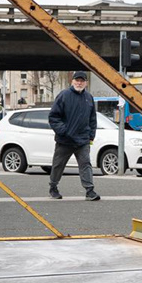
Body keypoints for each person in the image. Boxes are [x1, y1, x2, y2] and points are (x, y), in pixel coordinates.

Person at [47, 71, 100, 201]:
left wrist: (91, 135)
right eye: (77, 80)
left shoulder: (89, 97)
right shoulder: (64, 95)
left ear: (86, 83)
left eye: (82, 80)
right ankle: (53, 187)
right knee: (58, 165)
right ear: (72, 81)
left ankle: (90, 191)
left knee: (86, 165)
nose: (79, 83)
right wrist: (64, 131)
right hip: (65, 140)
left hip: (83, 141)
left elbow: (92, 118)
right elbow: (53, 117)